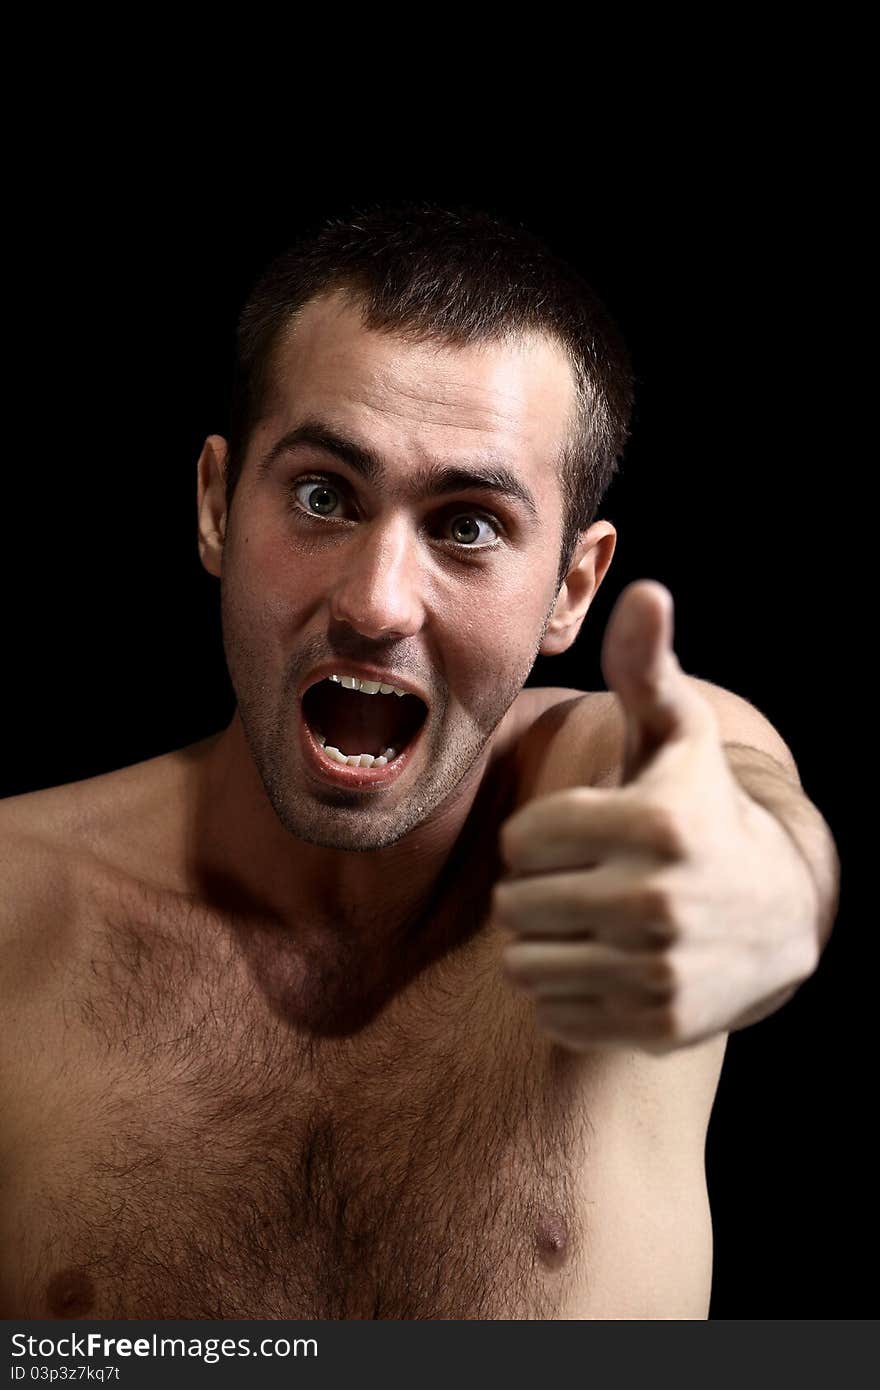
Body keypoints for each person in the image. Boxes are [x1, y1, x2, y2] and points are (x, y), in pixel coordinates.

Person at [0, 203, 839, 1320]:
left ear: (572, 588)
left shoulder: (604, 790)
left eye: (469, 525)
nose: (375, 601)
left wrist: (766, 900)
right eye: (320, 497)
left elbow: (740, 801)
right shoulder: (15, 911)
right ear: (212, 504)